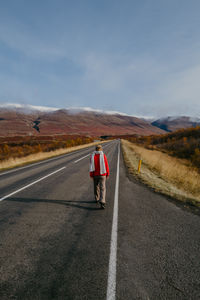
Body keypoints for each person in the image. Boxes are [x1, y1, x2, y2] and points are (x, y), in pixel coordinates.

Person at [90, 145, 109, 209]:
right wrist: (107, 174)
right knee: (102, 188)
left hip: (95, 174)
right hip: (102, 174)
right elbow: (106, 165)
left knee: (96, 187)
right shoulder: (103, 156)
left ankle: (97, 198)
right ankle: (102, 201)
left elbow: (91, 166)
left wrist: (91, 175)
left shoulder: (92, 156)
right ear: (101, 149)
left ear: (95, 149)